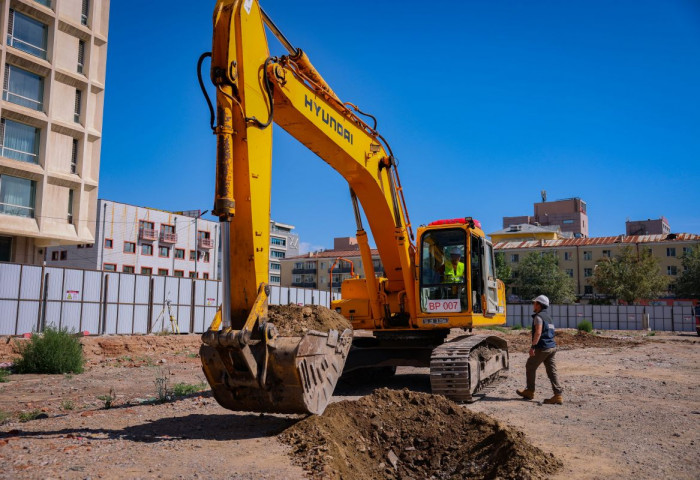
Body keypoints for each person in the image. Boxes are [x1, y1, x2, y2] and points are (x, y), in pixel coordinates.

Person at [516, 294, 563, 404]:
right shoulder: (549, 318)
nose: (533, 304)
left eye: (535, 303)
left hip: (542, 347)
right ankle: (558, 395)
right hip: (551, 347)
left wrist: (533, 347)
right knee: (552, 371)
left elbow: (538, 332)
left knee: (530, 366)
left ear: (539, 305)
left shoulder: (538, 317)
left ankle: (530, 391)